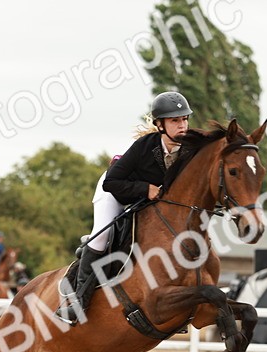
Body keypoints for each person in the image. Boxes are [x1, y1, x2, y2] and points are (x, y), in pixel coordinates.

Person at [55, 91, 193, 324]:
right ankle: (78, 303)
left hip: (148, 200)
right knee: (103, 236)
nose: (182, 125)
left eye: (185, 119)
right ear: (160, 125)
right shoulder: (144, 147)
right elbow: (112, 183)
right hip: (115, 191)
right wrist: (145, 189)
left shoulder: (190, 150)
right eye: (175, 120)